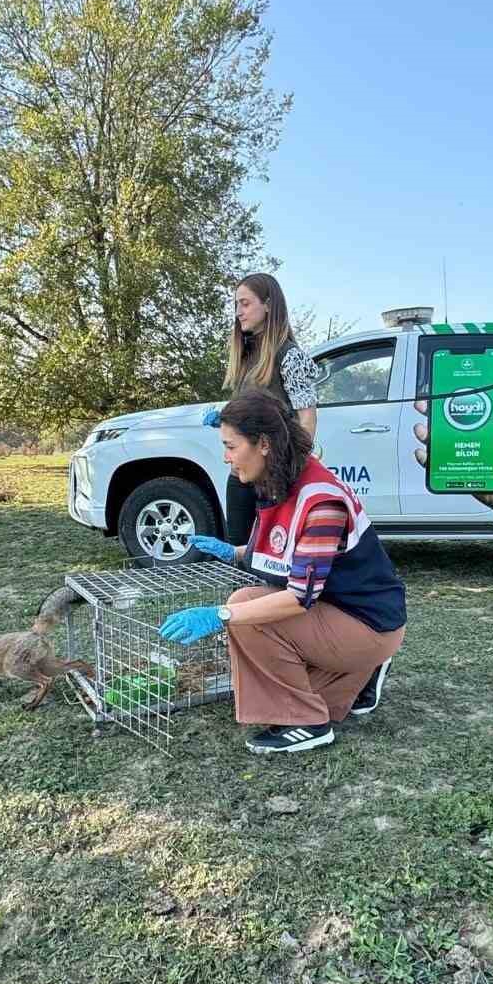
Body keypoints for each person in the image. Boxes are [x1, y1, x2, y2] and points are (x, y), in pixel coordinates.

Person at [163, 391, 406, 754]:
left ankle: (307, 723)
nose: (226, 458)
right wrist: (235, 552)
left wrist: (220, 616)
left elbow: (299, 597)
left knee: (245, 611)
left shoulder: (321, 501)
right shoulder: (284, 479)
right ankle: (360, 675)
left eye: (230, 445)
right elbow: (291, 550)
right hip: (350, 613)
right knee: (254, 615)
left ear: (263, 444)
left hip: (367, 622)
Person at [204, 273, 319, 547]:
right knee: (239, 553)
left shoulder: (290, 356)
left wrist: (291, 468)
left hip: (273, 478)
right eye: (236, 305)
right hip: (241, 474)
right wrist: (227, 419)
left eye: (245, 304)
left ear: (268, 305)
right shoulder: (246, 356)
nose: (238, 313)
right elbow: (256, 411)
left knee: (272, 557)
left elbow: (307, 416)